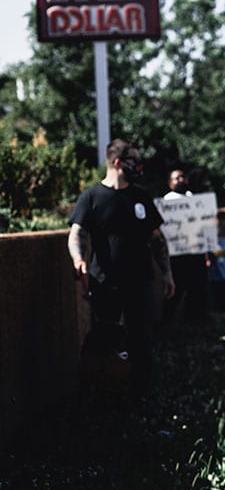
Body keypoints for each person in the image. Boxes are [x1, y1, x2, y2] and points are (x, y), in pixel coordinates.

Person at [67, 139, 175, 389]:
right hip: (105, 283)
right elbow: (76, 234)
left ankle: (140, 394)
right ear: (117, 163)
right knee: (106, 339)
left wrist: (167, 273)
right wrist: (78, 259)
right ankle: (103, 393)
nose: (138, 166)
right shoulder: (92, 197)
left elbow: (157, 240)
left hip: (140, 281)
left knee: (141, 340)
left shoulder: (140, 197)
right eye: (133, 161)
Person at [162, 167, 210, 323]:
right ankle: (169, 322)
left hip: (195, 251)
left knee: (197, 287)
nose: (181, 180)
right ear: (170, 183)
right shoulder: (168, 201)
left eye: (183, 177)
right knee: (177, 287)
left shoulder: (192, 198)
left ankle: (195, 320)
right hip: (178, 254)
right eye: (176, 178)